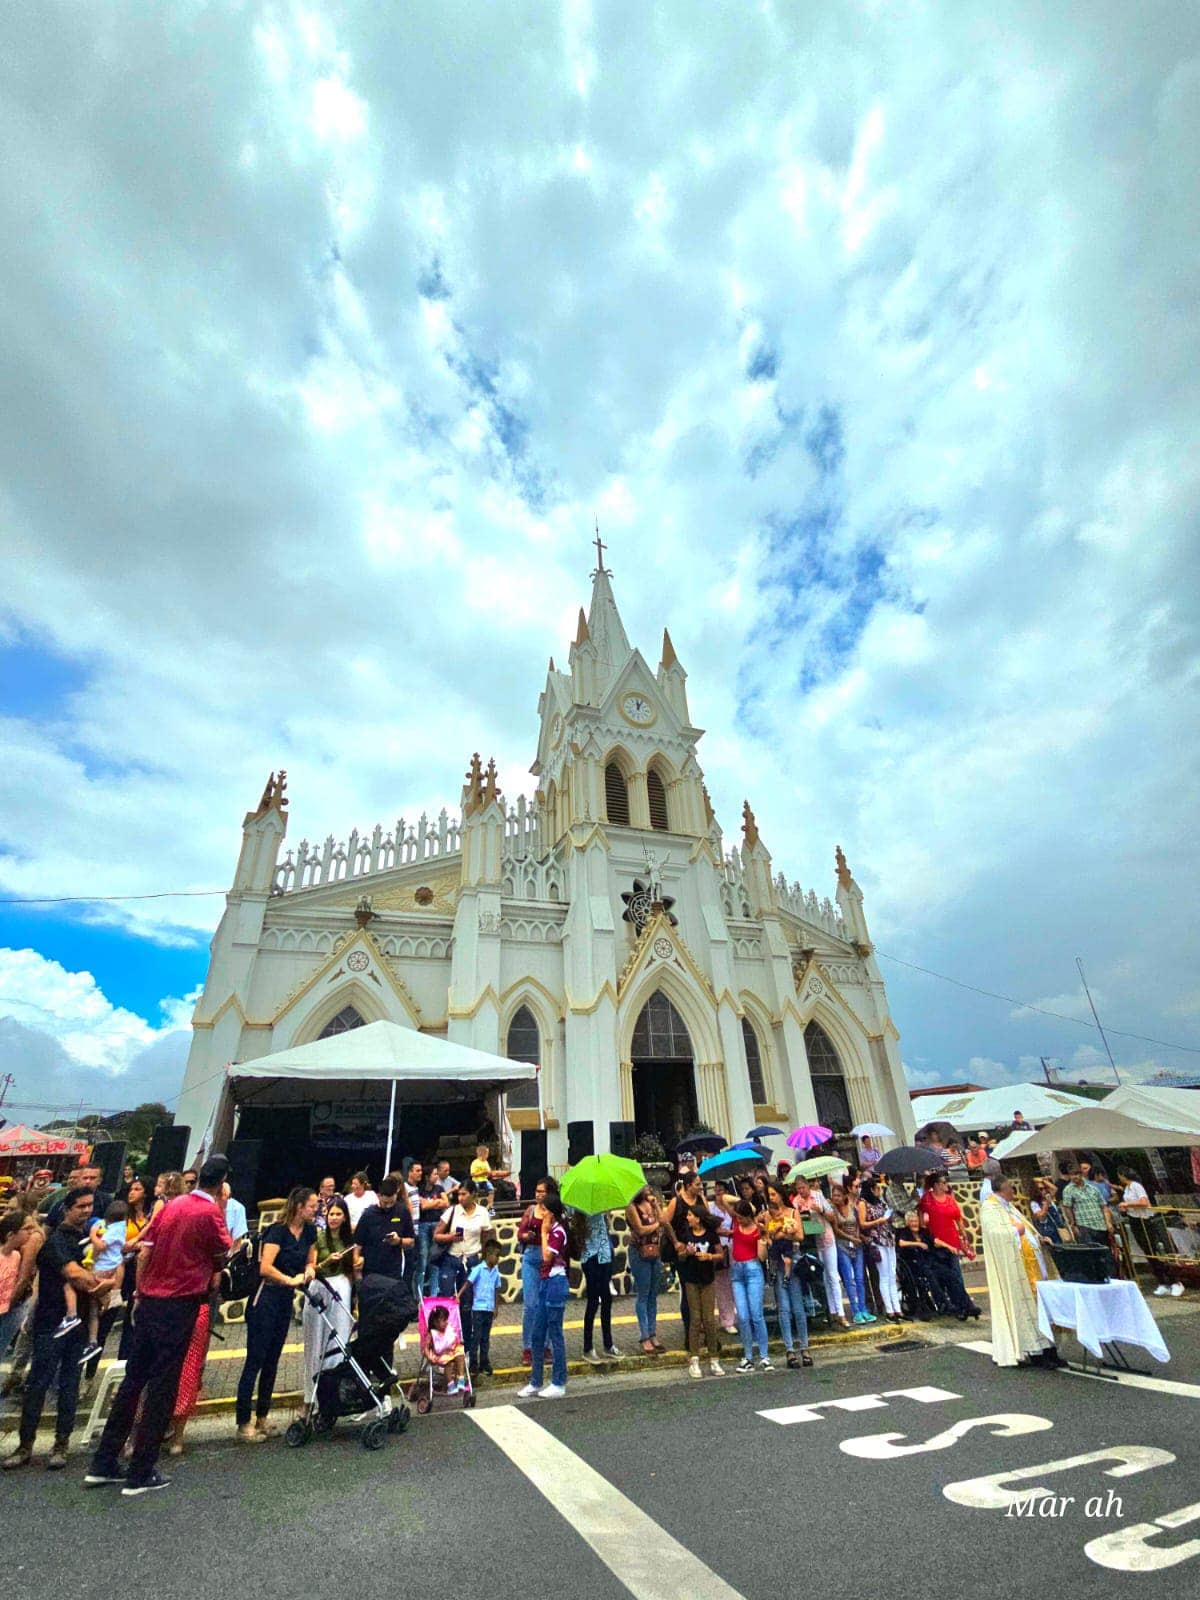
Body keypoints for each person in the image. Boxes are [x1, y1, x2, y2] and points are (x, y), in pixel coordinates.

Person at [84, 1156, 234, 1493]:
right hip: (180, 1302)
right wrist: (221, 1207)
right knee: (163, 1385)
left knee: (133, 1380)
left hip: (149, 1300)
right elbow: (222, 1251)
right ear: (221, 1182)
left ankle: (104, 1461)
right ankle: (141, 1470)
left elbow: (144, 1248)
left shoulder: (169, 1205)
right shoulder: (210, 1212)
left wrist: (139, 1292)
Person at [3, 1186, 99, 1471]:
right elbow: (75, 1275)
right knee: (38, 1384)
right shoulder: (55, 1242)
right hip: (51, 1323)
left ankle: (61, 1444)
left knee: (69, 1385)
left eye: (89, 1205)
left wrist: (97, 1281)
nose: (86, 1210)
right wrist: (96, 1282)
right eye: (80, 1206)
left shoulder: (89, 1239)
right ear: (67, 1209)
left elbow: (102, 1273)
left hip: (78, 1323)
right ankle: (25, 1446)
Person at [235, 1186, 317, 1443]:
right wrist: (288, 1280)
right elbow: (265, 1267)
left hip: (285, 1300)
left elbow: (310, 1260)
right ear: (299, 1206)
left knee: (273, 1360)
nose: (316, 1210)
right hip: (266, 1297)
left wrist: (309, 1271)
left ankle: (262, 1416)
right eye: (312, 1206)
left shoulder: (310, 1231)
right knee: (255, 1359)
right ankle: (243, 1421)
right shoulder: (277, 1231)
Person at [980, 1176, 1061, 1368]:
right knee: (1025, 1309)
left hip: (1033, 1265)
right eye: (1010, 1188)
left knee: (1041, 1308)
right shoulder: (989, 1209)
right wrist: (1015, 1231)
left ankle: (1050, 1349)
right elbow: (996, 1235)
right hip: (1016, 1267)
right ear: (1000, 1190)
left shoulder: (1009, 1207)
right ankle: (1036, 1352)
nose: (1013, 1192)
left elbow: (1027, 1228)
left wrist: (1038, 1238)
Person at [302, 1198, 359, 1408]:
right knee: (315, 1340)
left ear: (344, 1217)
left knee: (339, 1339)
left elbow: (353, 1270)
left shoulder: (350, 1238)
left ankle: (338, 1394)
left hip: (342, 1289)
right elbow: (311, 1267)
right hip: (320, 1287)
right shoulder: (318, 1237)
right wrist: (328, 1261)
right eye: (331, 1214)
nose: (334, 1218)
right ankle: (311, 1397)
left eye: (338, 1214)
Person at [518, 1192, 570, 1399]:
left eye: (546, 1210)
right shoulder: (552, 1230)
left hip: (556, 1283)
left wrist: (544, 1231)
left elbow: (547, 1256)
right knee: (537, 1334)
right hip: (544, 1282)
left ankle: (559, 1381)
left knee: (555, 1332)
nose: (542, 1213)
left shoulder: (558, 1232)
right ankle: (535, 1381)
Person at [920, 1172, 981, 1320]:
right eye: (942, 1182)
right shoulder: (927, 1200)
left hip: (952, 1240)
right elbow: (922, 1219)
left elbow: (958, 1218)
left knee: (956, 1275)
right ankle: (953, 1304)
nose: (945, 1184)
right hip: (938, 1242)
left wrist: (963, 1234)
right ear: (935, 1185)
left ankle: (963, 1305)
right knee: (946, 1276)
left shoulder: (949, 1199)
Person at [763, 1182, 811, 1367]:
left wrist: (783, 1234)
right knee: (783, 1307)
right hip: (777, 1260)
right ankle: (790, 1349)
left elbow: (800, 1236)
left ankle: (804, 1346)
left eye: (774, 1194)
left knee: (798, 1306)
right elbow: (768, 1238)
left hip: (793, 1257)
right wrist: (773, 1235)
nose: (772, 1198)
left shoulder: (792, 1212)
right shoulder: (768, 1215)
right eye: (770, 1195)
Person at [675, 1202, 724, 1379]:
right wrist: (686, 1252)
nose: (687, 1218)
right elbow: (679, 1255)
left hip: (707, 1279)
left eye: (690, 1215)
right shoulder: (685, 1234)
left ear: (698, 1218)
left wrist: (709, 1256)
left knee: (709, 1319)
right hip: (691, 1279)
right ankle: (694, 1359)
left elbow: (720, 1254)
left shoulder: (711, 1235)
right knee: (695, 1319)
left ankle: (714, 1358)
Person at [75, 1200, 128, 1363]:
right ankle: (92, 1340)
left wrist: (92, 1234)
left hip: (103, 1267)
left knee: (91, 1304)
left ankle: (92, 1340)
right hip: (110, 1267)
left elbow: (100, 1246)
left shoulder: (115, 1229)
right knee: (92, 1307)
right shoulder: (120, 1228)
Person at [1117, 1169, 1183, 1297]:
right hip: (1134, 1219)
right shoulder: (1127, 1188)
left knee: (1154, 1251)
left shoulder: (1136, 1186)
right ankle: (1162, 1281)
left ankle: (1175, 1281)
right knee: (1147, 1252)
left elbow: (1144, 1202)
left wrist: (1128, 1203)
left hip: (1144, 1220)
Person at [792, 1176, 844, 1327]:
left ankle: (840, 1313)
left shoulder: (818, 1196)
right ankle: (830, 1311)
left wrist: (819, 1209)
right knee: (821, 1279)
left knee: (833, 1275)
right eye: (798, 1188)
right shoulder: (796, 1202)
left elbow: (831, 1216)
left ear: (808, 1186)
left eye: (803, 1187)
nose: (801, 1191)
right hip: (810, 1242)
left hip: (825, 1237)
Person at [518, 1177, 557, 1362]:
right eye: (537, 1191)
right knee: (530, 1305)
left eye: (542, 1191)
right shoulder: (531, 1210)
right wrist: (528, 1235)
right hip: (531, 1256)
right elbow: (520, 1233)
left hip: (548, 1257)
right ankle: (529, 1347)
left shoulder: (555, 1212)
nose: (539, 1195)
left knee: (547, 1304)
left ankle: (546, 1346)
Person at [434, 1179, 493, 1297]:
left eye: (464, 1194)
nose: (460, 1198)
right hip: (451, 1258)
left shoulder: (482, 1213)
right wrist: (450, 1237)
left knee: (467, 1298)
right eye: (459, 1194)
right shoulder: (452, 1211)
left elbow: (486, 1237)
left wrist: (486, 1259)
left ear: (473, 1194)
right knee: (447, 1296)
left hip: (472, 1259)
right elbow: (436, 1236)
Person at [354, 1174, 415, 1283]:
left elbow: (411, 1241)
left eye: (391, 1203)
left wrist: (399, 1241)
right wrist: (357, 1263)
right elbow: (357, 1245)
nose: (388, 1206)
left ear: (396, 1193)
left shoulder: (403, 1212)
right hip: (371, 1271)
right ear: (379, 1196)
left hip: (393, 1271)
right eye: (385, 1203)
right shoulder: (368, 1214)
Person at [625, 1185, 664, 1354]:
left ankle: (653, 1332)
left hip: (655, 1250)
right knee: (643, 1293)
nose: (647, 1188)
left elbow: (664, 1221)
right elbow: (640, 1229)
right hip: (639, 1252)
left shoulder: (651, 1204)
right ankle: (644, 1336)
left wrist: (656, 1206)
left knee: (653, 1294)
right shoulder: (631, 1207)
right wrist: (656, 1225)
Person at [858, 1175, 902, 1322]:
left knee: (891, 1273)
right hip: (877, 1239)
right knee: (883, 1275)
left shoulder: (880, 1202)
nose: (878, 1191)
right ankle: (889, 1309)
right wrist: (878, 1221)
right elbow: (863, 1223)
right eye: (876, 1188)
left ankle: (897, 1307)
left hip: (888, 1238)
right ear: (871, 1189)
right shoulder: (863, 1203)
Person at [580, 1208, 618, 1363]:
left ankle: (608, 1344)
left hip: (605, 1254)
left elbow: (606, 1227)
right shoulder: (579, 1208)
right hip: (590, 1256)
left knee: (607, 1300)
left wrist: (606, 1214)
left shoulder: (602, 1205)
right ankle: (587, 1347)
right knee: (593, 1301)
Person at [830, 1183, 873, 1324]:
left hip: (856, 1244)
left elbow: (857, 1224)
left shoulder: (852, 1207)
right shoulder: (832, 1211)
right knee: (849, 1279)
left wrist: (857, 1236)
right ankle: (855, 1311)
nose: (836, 1198)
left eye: (838, 1195)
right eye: (834, 1195)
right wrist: (851, 1238)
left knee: (860, 1278)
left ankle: (863, 1309)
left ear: (844, 1196)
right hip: (842, 1245)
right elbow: (836, 1230)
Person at [0, 1211, 40, 1359]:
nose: (31, 1233)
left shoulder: (16, 1256)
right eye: (26, 1229)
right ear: (11, 1235)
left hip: (8, 1310)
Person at [464, 1238, 502, 1375]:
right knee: (476, 1336)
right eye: (496, 1255)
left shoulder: (496, 1271)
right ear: (488, 1254)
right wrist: (459, 1296)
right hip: (478, 1308)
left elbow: (497, 1289)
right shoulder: (479, 1269)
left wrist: (496, 1307)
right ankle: (473, 1364)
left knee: (485, 1337)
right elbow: (468, 1283)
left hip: (489, 1308)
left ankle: (484, 1362)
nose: (498, 1259)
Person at [707, 1179, 738, 1334]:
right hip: (720, 1248)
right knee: (722, 1285)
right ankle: (727, 1320)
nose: (718, 1194)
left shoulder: (733, 1208)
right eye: (716, 1191)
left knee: (735, 1282)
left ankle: (736, 1316)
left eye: (721, 1191)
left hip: (735, 1248)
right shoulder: (710, 1208)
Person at [1061, 1163, 1113, 1250]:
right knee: (1091, 1253)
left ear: (1081, 1174)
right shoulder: (1068, 1190)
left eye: (1077, 1174)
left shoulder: (1093, 1188)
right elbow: (1067, 1208)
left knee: (1106, 1252)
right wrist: (1073, 1224)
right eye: (1072, 1175)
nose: (1075, 1177)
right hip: (1084, 1226)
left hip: (1100, 1225)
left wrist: (1108, 1222)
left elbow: (1104, 1206)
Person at [423, 1304, 466, 1394]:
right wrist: (429, 1357)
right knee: (448, 1363)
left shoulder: (449, 1328)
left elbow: (455, 1339)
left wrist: (456, 1341)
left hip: (451, 1351)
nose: (447, 1322)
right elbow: (426, 1348)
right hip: (440, 1355)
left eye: (447, 1319)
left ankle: (461, 1378)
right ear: (435, 1322)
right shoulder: (431, 1334)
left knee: (460, 1352)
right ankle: (450, 1384)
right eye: (444, 1320)